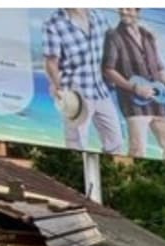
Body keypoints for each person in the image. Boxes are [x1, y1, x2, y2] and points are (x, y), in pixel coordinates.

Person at [43, 8, 123, 154]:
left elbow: (114, 39)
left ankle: (105, 170)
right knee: (77, 144)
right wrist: (57, 87)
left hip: (100, 89)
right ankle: (77, 173)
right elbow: (51, 61)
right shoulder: (54, 23)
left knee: (116, 141)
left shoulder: (98, 15)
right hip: (75, 92)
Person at [102, 8, 165, 160]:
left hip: (157, 102)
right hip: (133, 102)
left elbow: (159, 69)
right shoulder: (113, 35)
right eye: (121, 8)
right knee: (138, 152)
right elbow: (108, 70)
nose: (124, 12)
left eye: (128, 8)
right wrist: (134, 88)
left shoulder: (148, 35)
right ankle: (128, 181)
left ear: (138, 12)